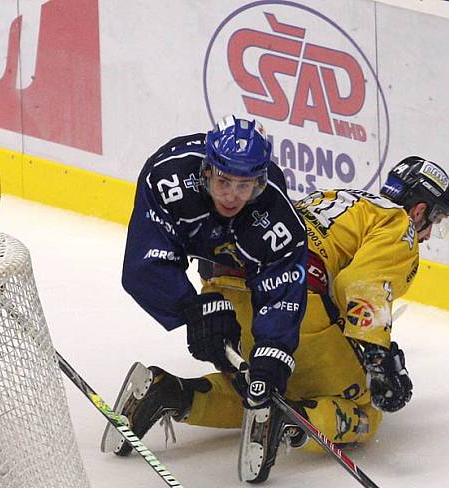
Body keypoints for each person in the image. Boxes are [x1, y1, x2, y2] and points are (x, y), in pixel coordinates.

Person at [109, 155, 449, 484]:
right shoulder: (397, 222)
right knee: (363, 408)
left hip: (225, 292)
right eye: (435, 221)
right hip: (289, 299)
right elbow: (361, 286)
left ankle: (169, 392)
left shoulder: (330, 197)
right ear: (421, 209)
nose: (427, 235)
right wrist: (378, 359)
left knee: (256, 387)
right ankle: (291, 424)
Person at [102, 114, 308, 465]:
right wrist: (193, 308)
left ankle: (170, 392)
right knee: (213, 326)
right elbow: (144, 267)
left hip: (237, 260)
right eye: (224, 182)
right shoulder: (168, 177)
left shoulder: (273, 210)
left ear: (259, 183)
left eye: (245, 187)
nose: (231, 195)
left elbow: (281, 283)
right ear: (207, 171)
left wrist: (273, 352)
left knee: (258, 362)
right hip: (194, 244)